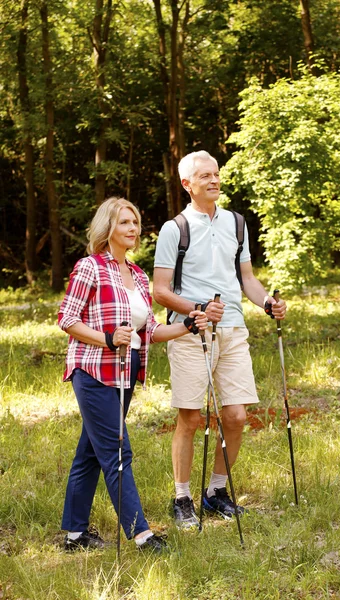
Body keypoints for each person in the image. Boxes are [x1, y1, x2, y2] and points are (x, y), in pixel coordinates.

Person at [58, 196, 207, 552]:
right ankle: (142, 535)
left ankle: (75, 535)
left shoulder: (138, 275)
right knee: (117, 451)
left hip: (127, 371)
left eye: (136, 223)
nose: (133, 229)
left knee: (91, 453)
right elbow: (67, 319)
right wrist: (107, 339)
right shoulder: (90, 267)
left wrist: (187, 325)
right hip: (93, 370)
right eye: (125, 222)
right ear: (108, 227)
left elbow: (150, 330)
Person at [153, 150, 287, 528]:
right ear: (187, 184)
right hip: (191, 331)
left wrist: (267, 302)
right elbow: (160, 290)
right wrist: (197, 308)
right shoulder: (173, 229)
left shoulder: (237, 223)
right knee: (190, 418)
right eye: (205, 176)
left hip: (233, 330)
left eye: (216, 174)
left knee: (236, 415)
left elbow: (246, 278)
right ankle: (181, 498)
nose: (214, 180)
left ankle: (215, 492)